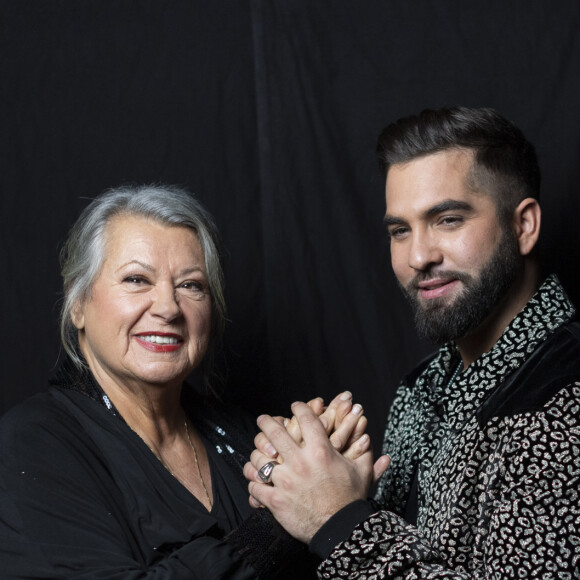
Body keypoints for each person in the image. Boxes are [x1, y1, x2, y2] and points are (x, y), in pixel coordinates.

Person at [245, 107, 580, 577]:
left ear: (523, 225)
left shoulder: (562, 402)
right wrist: (301, 488)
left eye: (447, 219)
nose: (418, 256)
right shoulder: (423, 387)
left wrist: (338, 519)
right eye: (400, 230)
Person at [0, 184, 359, 578]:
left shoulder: (242, 437)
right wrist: (285, 518)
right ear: (78, 304)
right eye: (137, 279)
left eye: (191, 285)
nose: (169, 308)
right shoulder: (31, 445)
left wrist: (328, 485)